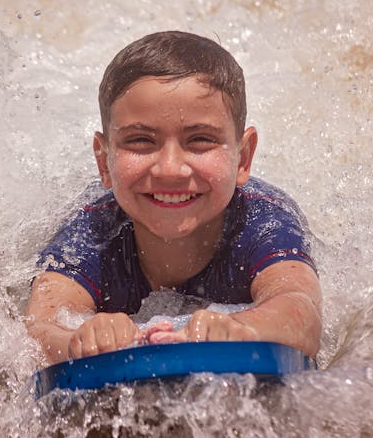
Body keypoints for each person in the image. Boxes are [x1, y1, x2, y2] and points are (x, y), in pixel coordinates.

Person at [26, 31, 322, 365]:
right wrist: (80, 340)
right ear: (103, 161)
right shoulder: (91, 230)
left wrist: (243, 329)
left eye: (199, 140)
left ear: (243, 158)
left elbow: (301, 311)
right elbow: (39, 326)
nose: (170, 169)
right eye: (140, 140)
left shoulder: (262, 222)